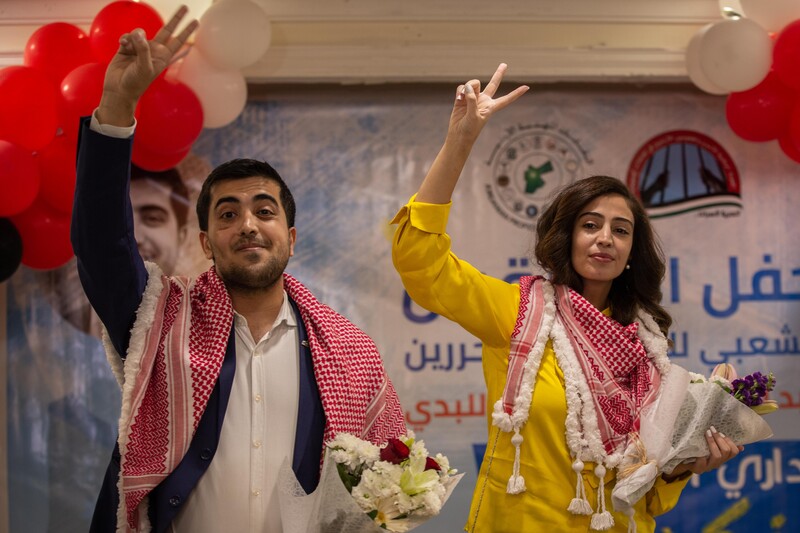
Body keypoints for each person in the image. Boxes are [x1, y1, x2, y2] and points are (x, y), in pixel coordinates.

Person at [71, 7, 406, 532]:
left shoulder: (346, 351)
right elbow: (102, 246)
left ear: (290, 240)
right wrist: (116, 106)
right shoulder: (159, 320)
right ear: (206, 242)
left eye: (264, 211)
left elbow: (387, 479)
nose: (248, 225)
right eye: (228, 214)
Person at [391, 64, 742, 532]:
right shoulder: (519, 313)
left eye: (621, 230)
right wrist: (461, 141)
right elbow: (421, 261)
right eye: (590, 225)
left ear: (631, 253)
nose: (605, 239)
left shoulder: (647, 351)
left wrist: (688, 464)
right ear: (567, 238)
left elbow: (648, 496)